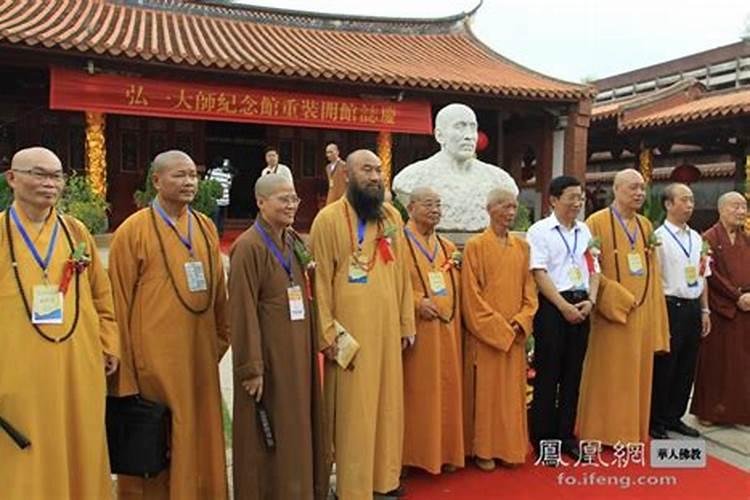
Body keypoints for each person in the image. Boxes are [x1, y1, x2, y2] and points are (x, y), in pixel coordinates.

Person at [109, 150, 230, 500]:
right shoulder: (132, 231)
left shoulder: (205, 227)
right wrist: (127, 371)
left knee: (200, 434)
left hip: (199, 355)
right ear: (157, 181)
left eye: (193, 175)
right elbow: (118, 302)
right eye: (179, 175)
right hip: (154, 362)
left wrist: (219, 341)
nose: (189, 182)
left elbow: (219, 294)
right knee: (158, 439)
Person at [0, 147, 119, 500]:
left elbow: (102, 294)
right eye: (38, 174)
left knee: (79, 440)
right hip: (17, 366)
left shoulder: (74, 231)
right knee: (24, 445)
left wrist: (108, 342)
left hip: (76, 363)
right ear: (12, 178)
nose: (49, 183)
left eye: (56, 176)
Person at [309, 149, 415, 499]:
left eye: (377, 171)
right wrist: (327, 333)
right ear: (347, 177)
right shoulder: (327, 220)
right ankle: (353, 488)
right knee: (354, 414)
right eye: (366, 170)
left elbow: (402, 273)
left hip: (386, 333)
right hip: (350, 335)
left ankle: (385, 481)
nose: (374, 177)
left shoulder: (391, 217)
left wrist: (405, 322)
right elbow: (321, 281)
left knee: (387, 407)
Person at [228, 173, 329, 500]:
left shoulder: (294, 241)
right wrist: (251, 367)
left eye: (294, 199)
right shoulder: (248, 247)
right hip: (269, 359)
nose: (291, 205)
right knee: (269, 431)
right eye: (283, 199)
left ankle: (301, 489)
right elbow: (241, 311)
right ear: (261, 202)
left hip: (298, 352)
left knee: (299, 426)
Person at [577, 169, 669, 446]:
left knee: (635, 376)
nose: (639, 193)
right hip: (611, 314)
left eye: (642, 188)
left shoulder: (645, 226)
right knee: (608, 374)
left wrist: (652, 312)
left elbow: (653, 270)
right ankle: (600, 431)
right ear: (616, 190)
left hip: (640, 311)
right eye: (633, 188)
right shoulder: (596, 222)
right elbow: (588, 267)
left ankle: (629, 434)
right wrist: (617, 299)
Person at [462, 188, 538, 470]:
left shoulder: (522, 247)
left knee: (511, 396)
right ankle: (483, 449)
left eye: (514, 207)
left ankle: (510, 448)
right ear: (490, 208)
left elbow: (530, 292)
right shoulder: (475, 246)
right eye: (505, 206)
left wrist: (521, 321)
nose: (511, 212)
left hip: (514, 334)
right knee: (486, 396)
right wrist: (498, 328)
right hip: (487, 337)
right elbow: (471, 296)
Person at [527, 175, 598, 461]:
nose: (577, 203)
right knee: (548, 374)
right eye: (571, 197)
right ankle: (543, 439)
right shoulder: (539, 230)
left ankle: (566, 435)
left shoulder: (585, 231)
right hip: (553, 307)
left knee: (573, 374)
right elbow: (539, 272)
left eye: (580, 197)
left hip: (582, 303)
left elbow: (595, 269)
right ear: (554, 200)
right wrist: (562, 306)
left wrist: (591, 301)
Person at [401, 187, 464, 475]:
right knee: (416, 393)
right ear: (411, 207)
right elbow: (389, 285)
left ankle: (446, 453)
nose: (436, 209)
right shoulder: (397, 243)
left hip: (446, 330)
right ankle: (411, 456)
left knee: (447, 389)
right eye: (429, 204)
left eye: (439, 204)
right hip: (416, 333)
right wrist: (415, 303)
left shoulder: (448, 247)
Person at [392, 103, 518, 231]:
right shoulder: (411, 178)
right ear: (439, 135)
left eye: (472, 128)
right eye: (459, 127)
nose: (469, 136)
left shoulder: (500, 180)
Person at [650, 183, 711, 439]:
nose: (689, 205)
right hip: (669, 306)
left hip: (692, 307)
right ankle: (657, 419)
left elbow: (703, 274)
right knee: (666, 365)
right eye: (684, 200)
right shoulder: (658, 238)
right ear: (668, 204)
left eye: (692, 200)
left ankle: (676, 416)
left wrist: (705, 310)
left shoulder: (697, 238)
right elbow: (655, 279)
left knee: (687, 365)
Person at [691, 191, 749, 426]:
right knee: (716, 362)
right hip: (720, 306)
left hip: (746, 307)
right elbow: (709, 273)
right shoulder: (709, 238)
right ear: (721, 209)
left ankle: (741, 412)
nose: (741, 212)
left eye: (744, 207)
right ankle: (709, 412)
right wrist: (736, 296)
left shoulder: (747, 239)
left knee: (742, 363)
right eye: (736, 207)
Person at [206, 159, 234, 236]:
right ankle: (216, 233)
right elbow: (229, 186)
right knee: (218, 217)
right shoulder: (227, 174)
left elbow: (207, 182)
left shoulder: (212, 172)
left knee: (218, 217)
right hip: (220, 199)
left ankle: (217, 233)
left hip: (219, 199)